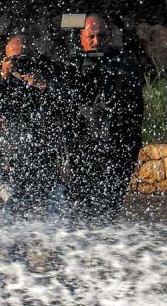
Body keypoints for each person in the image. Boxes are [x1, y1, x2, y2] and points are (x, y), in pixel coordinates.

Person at [55, 14, 146, 223]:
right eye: (91, 36)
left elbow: (132, 105)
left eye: (102, 36)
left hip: (117, 147)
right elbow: (63, 110)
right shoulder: (72, 64)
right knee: (78, 209)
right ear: (81, 38)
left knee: (108, 209)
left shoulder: (123, 61)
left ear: (109, 36)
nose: (97, 41)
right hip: (81, 148)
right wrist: (62, 153)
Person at [0, 35, 56, 217]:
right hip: (3, 151)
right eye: (13, 59)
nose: (17, 64)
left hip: (34, 154)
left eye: (21, 59)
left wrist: (41, 87)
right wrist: (3, 76)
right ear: (4, 59)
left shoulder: (42, 77)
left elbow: (52, 113)